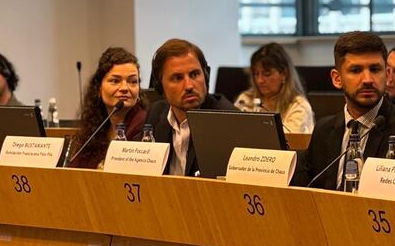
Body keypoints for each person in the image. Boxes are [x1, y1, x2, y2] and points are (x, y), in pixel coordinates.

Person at [292, 31, 395, 201]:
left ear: (386, 74)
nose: (367, 79)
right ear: (337, 78)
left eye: (375, 69)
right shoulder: (323, 130)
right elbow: (305, 191)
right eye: (356, 70)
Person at [146, 38, 236, 176]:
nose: (189, 86)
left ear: (205, 76)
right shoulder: (155, 113)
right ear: (159, 85)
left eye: (194, 74)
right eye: (177, 78)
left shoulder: (227, 120)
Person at [70, 47, 146, 169]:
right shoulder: (96, 128)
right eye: (115, 81)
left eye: (132, 81)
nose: (124, 88)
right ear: (99, 88)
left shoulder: (145, 126)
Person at [234, 43, 314, 133]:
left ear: (284, 74)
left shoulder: (298, 106)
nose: (260, 80)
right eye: (256, 74)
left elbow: (287, 140)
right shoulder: (245, 99)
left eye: (267, 74)